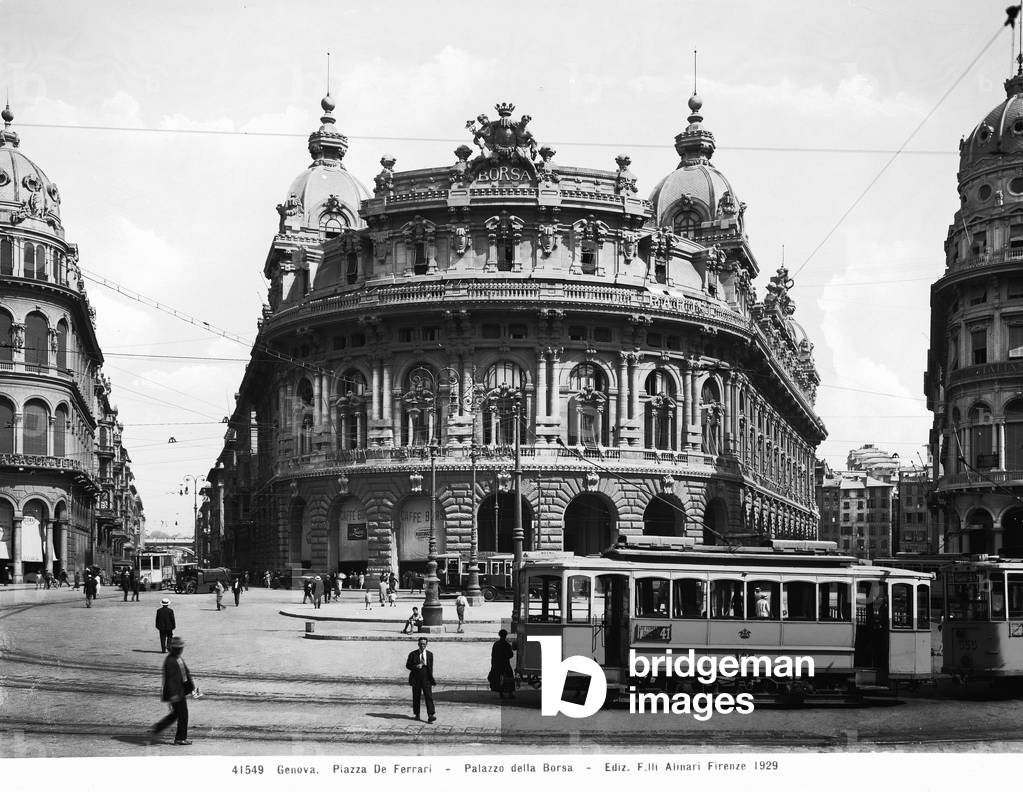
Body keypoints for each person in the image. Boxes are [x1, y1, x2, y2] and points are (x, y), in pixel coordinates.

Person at [149, 636, 196, 745]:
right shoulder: (170, 661)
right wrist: (173, 695)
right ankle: (180, 738)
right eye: (179, 648)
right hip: (175, 693)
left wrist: (191, 688)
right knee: (183, 714)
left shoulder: (177, 658)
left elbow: (185, 674)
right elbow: (170, 679)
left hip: (180, 691)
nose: (181, 650)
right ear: (174, 649)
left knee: (176, 714)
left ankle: (158, 728)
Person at [405, 637, 437, 723]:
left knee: (428, 697)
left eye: (424, 644)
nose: (422, 646)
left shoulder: (430, 654)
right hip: (416, 678)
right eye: (421, 644)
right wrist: (416, 666)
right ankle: (417, 714)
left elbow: (431, 667)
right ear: (418, 644)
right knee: (416, 697)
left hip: (426, 678)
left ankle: (431, 715)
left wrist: (430, 678)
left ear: (426, 644)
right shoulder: (413, 654)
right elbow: (408, 665)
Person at [487, 629, 516, 699]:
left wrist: (493, 664)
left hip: (497, 664)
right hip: (505, 664)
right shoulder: (507, 645)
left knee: (498, 679)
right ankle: (510, 693)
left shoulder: (496, 644)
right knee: (509, 677)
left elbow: (493, 655)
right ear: (506, 635)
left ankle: (501, 693)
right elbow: (510, 655)